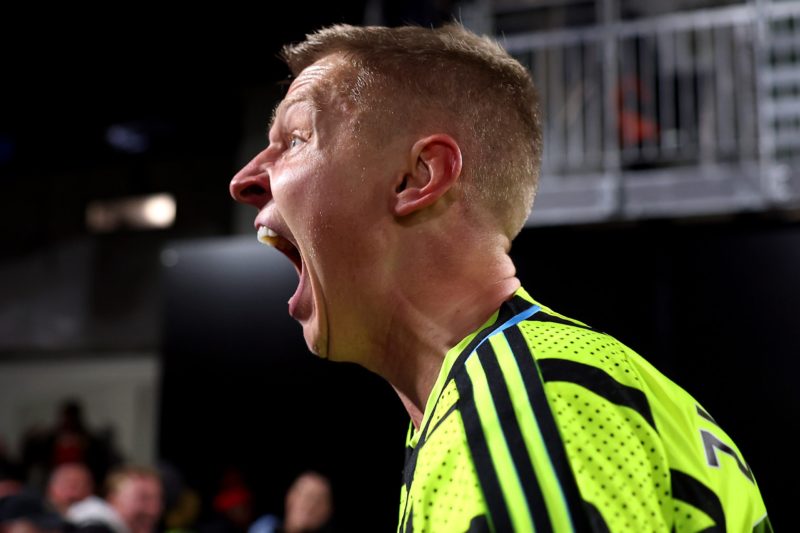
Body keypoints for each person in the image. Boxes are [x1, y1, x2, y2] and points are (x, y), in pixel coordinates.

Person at [229, 24, 771, 532]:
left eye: (296, 137)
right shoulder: (526, 387)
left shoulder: (519, 414)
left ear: (417, 177)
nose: (245, 180)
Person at [248, 472, 333, 533]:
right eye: (303, 495)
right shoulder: (263, 528)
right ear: (290, 496)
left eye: (317, 500)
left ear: (327, 511)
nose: (309, 505)